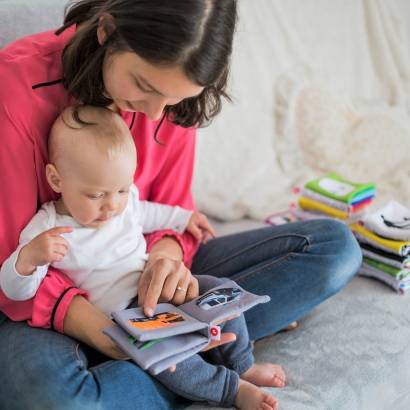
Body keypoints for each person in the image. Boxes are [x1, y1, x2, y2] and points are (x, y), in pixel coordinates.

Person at [0, 1, 362, 409]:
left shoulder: (171, 98)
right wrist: (103, 331)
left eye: (173, 100)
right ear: (107, 31)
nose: (157, 114)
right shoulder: (13, 87)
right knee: (54, 400)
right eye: (145, 86)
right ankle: (197, 365)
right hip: (44, 304)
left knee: (335, 248)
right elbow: (12, 261)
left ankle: (179, 357)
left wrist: (165, 260)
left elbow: (170, 211)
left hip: (143, 282)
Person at [0, 104, 284, 409]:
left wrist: (183, 218)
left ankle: (242, 363)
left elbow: (148, 212)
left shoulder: (123, 201)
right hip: (126, 315)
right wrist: (29, 258)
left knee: (222, 290)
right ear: (57, 181)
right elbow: (15, 290)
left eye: (121, 190)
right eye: (95, 195)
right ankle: (230, 389)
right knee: (169, 356)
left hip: (159, 286)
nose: (112, 206)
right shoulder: (49, 226)